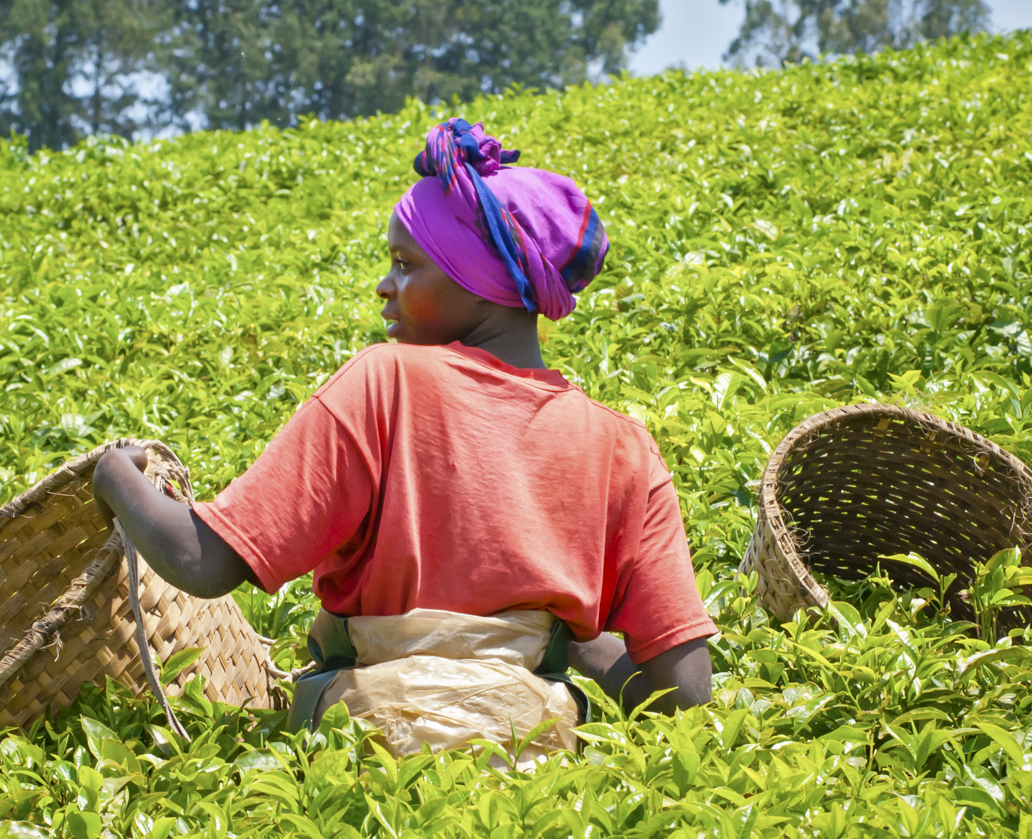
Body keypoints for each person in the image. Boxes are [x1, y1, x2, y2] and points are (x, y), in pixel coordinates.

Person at [93, 119, 716, 758]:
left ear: (480, 280)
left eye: (406, 264)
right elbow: (687, 691)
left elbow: (202, 561)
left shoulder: (384, 382)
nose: (385, 285)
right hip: (536, 771)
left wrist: (115, 475)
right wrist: (580, 644)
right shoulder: (623, 448)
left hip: (367, 756)